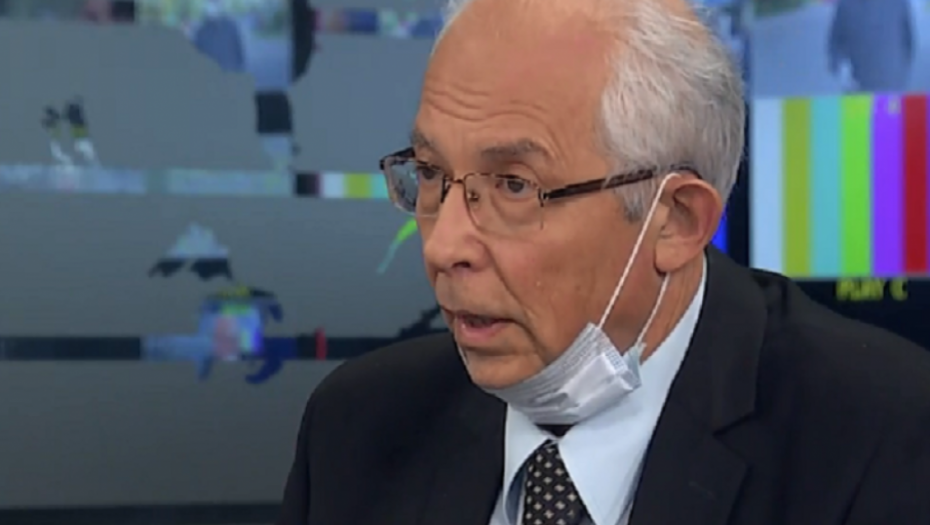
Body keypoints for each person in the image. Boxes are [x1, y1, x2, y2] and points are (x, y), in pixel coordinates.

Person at [277, 0, 930, 523]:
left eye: (514, 187)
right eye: (429, 174)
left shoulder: (885, 444)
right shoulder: (354, 429)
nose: (444, 247)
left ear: (675, 221)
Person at [827, 0, 914, 92]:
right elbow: (835, 42)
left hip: (886, 82)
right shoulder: (846, 5)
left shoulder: (899, 3)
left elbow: (908, 42)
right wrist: (840, 69)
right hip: (860, 83)